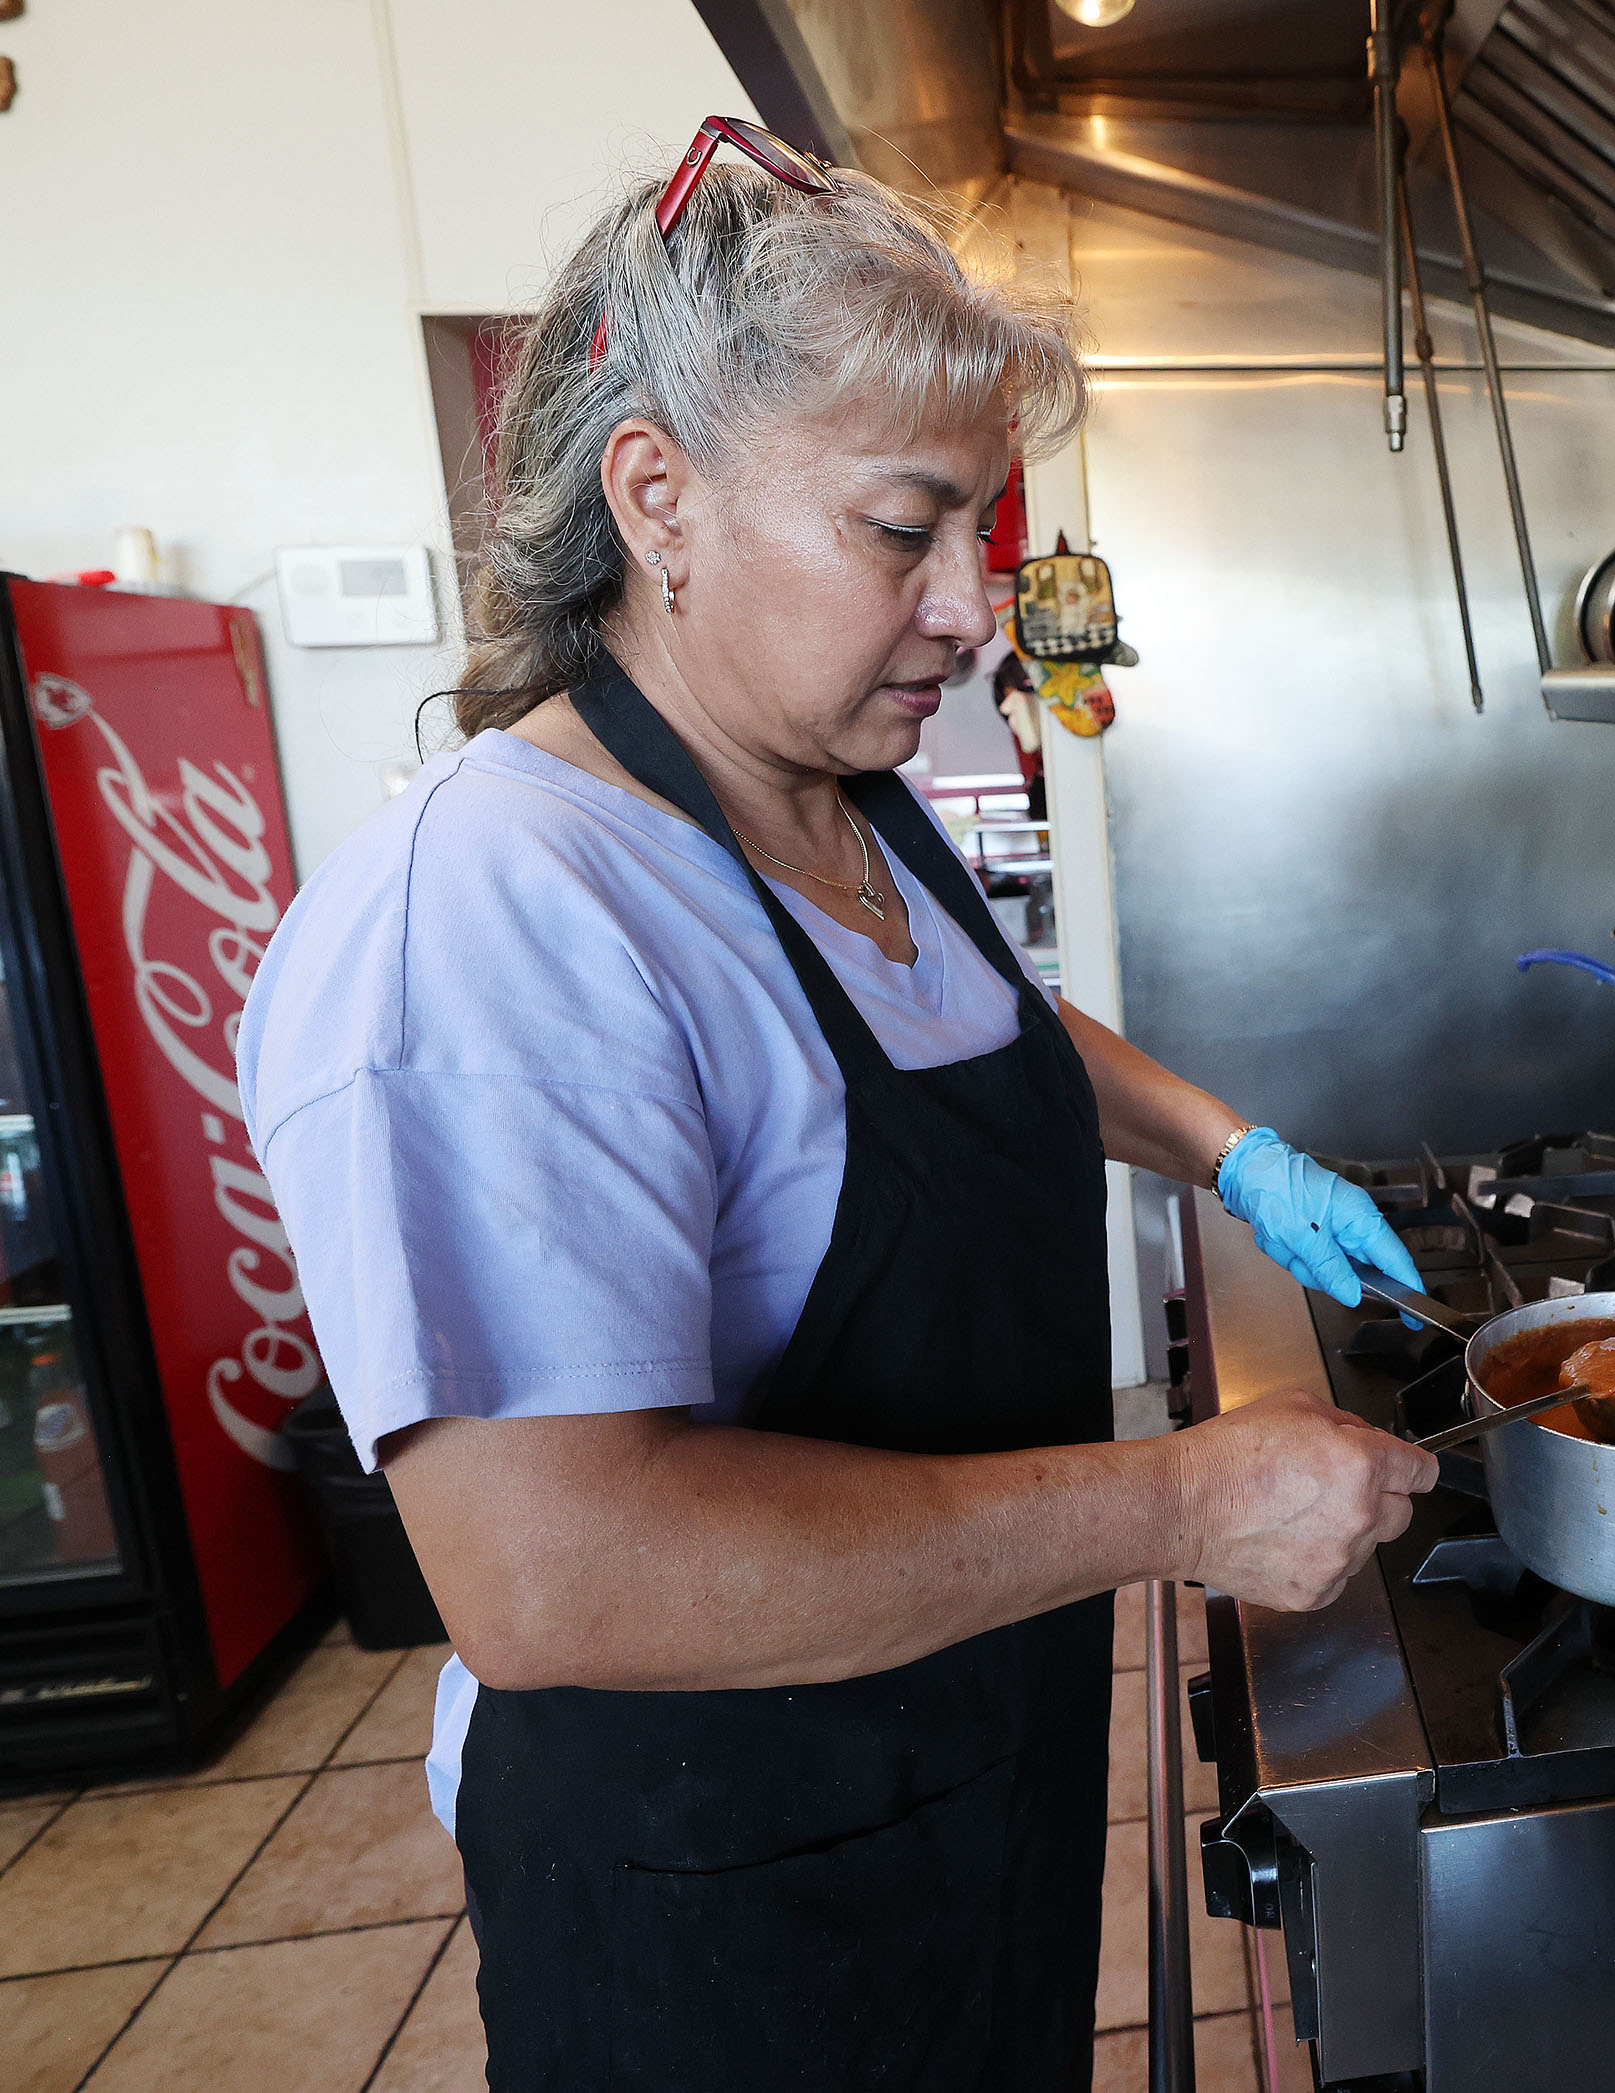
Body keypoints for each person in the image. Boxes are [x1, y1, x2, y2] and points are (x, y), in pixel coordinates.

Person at [237, 121, 1435, 2093]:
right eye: (904, 530)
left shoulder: (840, 802)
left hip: (964, 1790)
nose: (972, 610)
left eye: (983, 531)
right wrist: (1178, 1501)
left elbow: (988, 1030)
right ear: (660, 498)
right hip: (725, 1916)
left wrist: (1227, 1148)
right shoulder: (497, 911)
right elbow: (557, 1574)